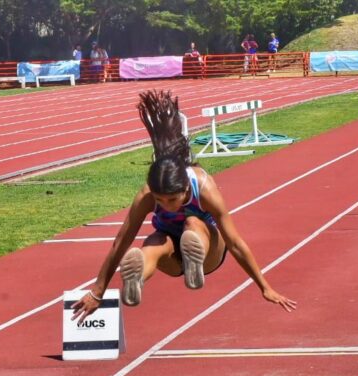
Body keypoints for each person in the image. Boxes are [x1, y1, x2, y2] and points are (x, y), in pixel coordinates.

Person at [71, 90, 296, 323]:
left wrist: (264, 286)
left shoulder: (204, 187)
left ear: (186, 189)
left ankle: (194, 260)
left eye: (171, 200)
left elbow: (235, 243)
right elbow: (122, 241)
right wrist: (97, 291)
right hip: (171, 258)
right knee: (154, 243)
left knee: (193, 222)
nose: (165, 206)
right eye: (159, 200)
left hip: (210, 254)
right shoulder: (147, 193)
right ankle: (136, 279)